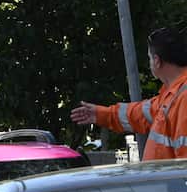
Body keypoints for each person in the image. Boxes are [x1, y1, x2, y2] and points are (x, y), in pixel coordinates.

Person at [72, 27, 187, 159]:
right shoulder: (172, 95)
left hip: (171, 179)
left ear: (157, 61)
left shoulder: (182, 97)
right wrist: (100, 114)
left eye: (149, 58)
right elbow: (138, 114)